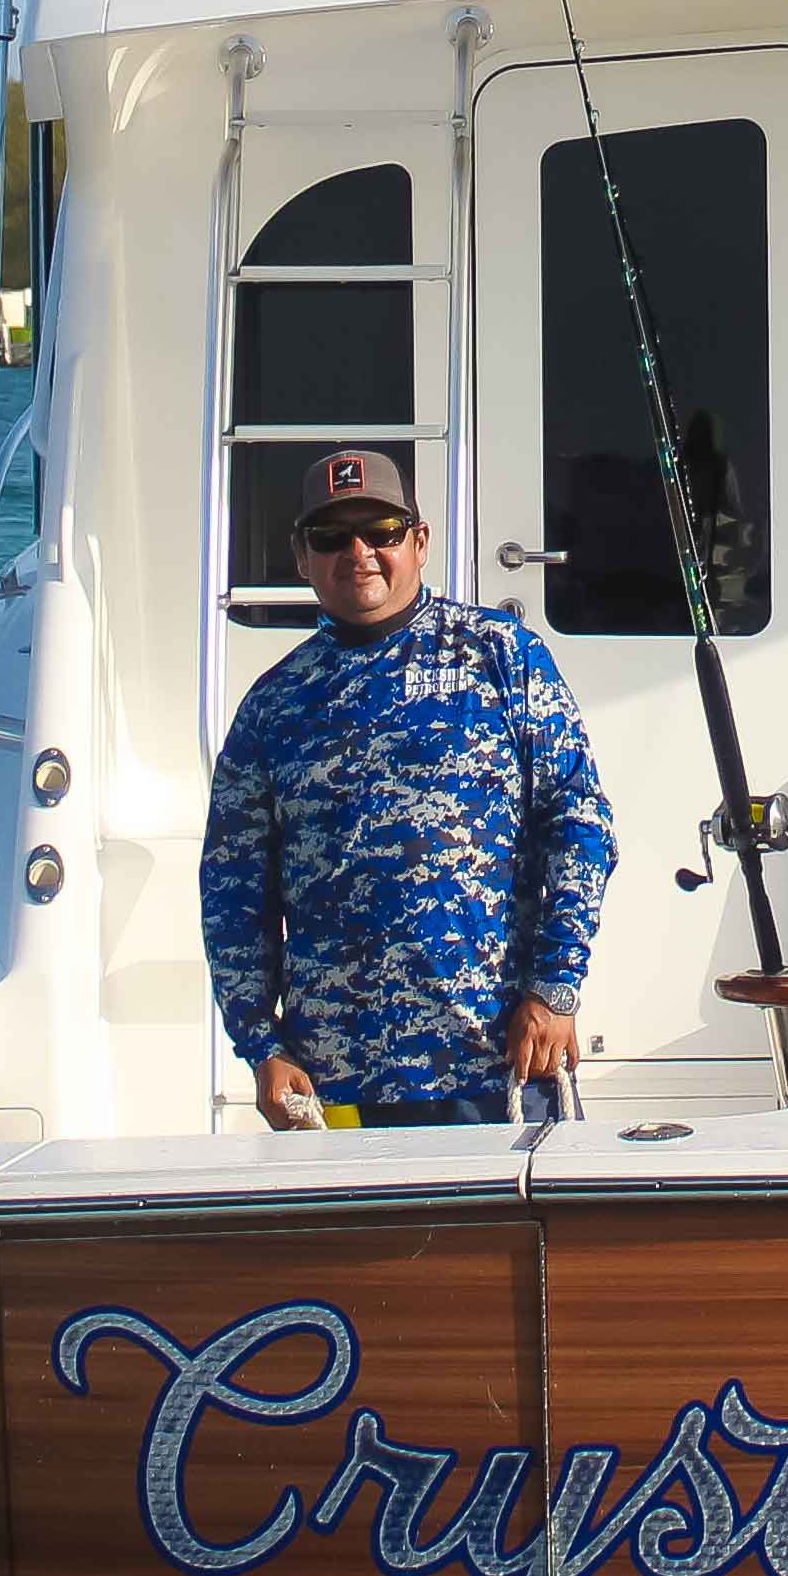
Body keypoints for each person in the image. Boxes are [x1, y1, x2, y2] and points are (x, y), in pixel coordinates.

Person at [202, 450, 616, 1129]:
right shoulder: (273, 706)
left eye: (382, 531)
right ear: (302, 556)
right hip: (336, 1082)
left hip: (499, 1064)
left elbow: (580, 825)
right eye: (331, 537)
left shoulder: (501, 655)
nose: (358, 553)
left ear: (419, 542)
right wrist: (261, 1045)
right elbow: (232, 893)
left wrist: (556, 988)